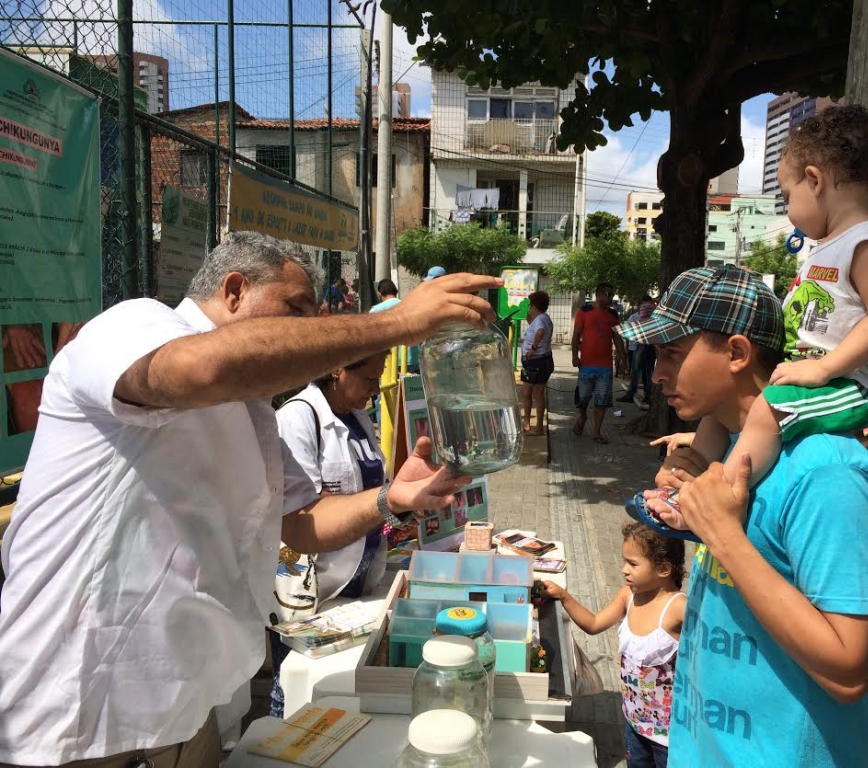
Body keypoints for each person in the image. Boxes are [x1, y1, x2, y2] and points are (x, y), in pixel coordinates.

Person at [0, 231, 501, 767]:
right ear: (234, 290)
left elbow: (301, 524)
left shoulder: (253, 408)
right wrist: (398, 322)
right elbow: (201, 368)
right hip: (79, 712)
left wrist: (394, 498)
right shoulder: (134, 325)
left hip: (183, 714)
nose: (310, 333)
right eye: (297, 310)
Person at [620, 264, 868, 767]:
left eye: (671, 354)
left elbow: (850, 671)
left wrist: (724, 537)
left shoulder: (826, 472)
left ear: (737, 353)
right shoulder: (724, 452)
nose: (656, 372)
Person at [687, 104, 868, 497]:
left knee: (769, 408)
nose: (788, 210)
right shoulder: (829, 246)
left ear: (815, 180)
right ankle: (694, 475)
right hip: (823, 378)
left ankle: (724, 495)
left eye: (787, 195)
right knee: (727, 409)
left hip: (857, 385)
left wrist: (824, 369)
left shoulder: (865, 243)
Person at [270, 350, 448, 717]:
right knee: (292, 692)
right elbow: (302, 512)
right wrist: (389, 500)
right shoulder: (297, 416)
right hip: (311, 591)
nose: (374, 387)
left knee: (339, 696)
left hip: (357, 584)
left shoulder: (357, 417)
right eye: (369, 378)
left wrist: (401, 514)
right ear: (337, 368)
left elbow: (372, 496)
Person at [541, 523, 686, 768]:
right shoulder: (628, 595)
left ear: (663, 569)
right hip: (634, 724)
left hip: (669, 738)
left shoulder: (679, 608)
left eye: (633, 563)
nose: (624, 570)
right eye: (624, 561)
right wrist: (563, 596)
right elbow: (594, 623)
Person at [572, 282, 626, 444]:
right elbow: (576, 336)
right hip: (586, 365)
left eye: (612, 295)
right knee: (583, 399)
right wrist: (575, 356)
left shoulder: (613, 315)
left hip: (605, 367)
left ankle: (596, 432)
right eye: (607, 294)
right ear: (598, 294)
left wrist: (624, 359)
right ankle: (582, 417)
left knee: (601, 401)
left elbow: (617, 338)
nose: (610, 298)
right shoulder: (584, 311)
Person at [520, 290, 554, 436]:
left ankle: (538, 427)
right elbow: (537, 330)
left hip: (538, 362)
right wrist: (530, 320)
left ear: (535, 306)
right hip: (536, 362)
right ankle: (527, 423)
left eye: (530, 305)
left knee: (537, 393)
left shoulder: (540, 320)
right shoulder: (543, 318)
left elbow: (540, 332)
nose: (529, 308)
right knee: (527, 392)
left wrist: (533, 348)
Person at [618, 297, 657, 407]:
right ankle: (648, 396)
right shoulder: (656, 308)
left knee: (635, 369)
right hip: (652, 342)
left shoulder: (645, 307)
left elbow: (643, 321)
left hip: (643, 342)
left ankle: (631, 394)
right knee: (648, 371)